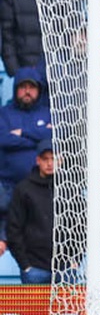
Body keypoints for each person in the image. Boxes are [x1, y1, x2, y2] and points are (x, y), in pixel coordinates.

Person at [0, 67, 52, 257]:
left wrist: (22, 133)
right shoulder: (4, 113)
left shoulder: (48, 112)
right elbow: (3, 139)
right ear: (15, 90)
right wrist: (36, 137)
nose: (27, 91)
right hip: (7, 185)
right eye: (23, 87)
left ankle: (32, 268)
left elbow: (52, 136)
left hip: (41, 186)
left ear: (39, 90)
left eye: (32, 87)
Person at [7, 139, 54, 284]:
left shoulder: (69, 189)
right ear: (37, 160)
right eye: (45, 159)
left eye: (53, 158)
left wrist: (74, 260)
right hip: (34, 267)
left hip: (65, 269)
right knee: (34, 308)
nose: (50, 163)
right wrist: (25, 265)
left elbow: (80, 223)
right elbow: (14, 228)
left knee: (66, 307)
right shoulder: (24, 189)